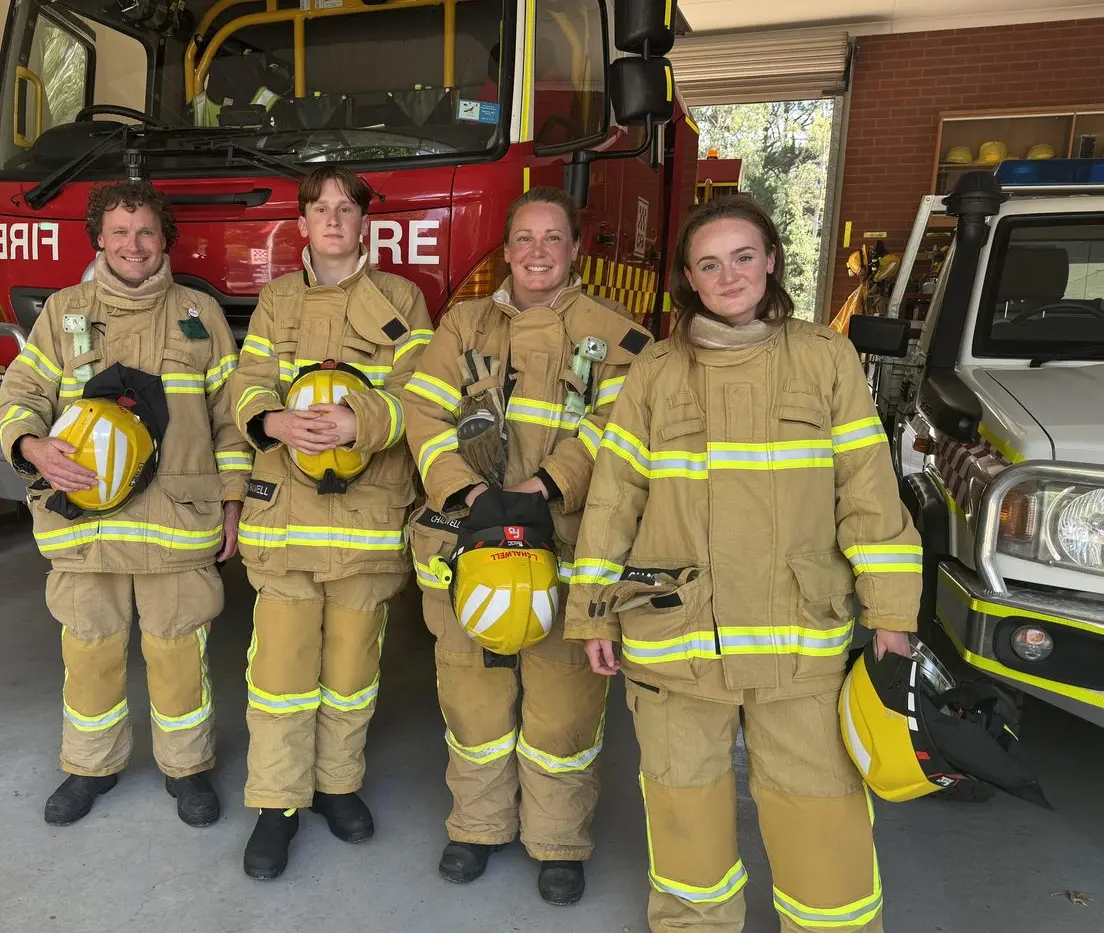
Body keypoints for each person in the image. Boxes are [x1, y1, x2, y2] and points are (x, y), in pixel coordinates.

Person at [565, 195, 922, 933]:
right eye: (708, 263)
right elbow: (612, 499)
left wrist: (892, 613)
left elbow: (869, 493)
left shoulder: (826, 357)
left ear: (771, 263)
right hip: (677, 641)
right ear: (688, 280)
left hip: (799, 640)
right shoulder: (656, 371)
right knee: (683, 804)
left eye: (742, 256)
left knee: (820, 811)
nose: (727, 275)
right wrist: (592, 607)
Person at [402, 186, 652, 906]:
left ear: (575, 250)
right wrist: (468, 493)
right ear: (506, 250)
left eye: (553, 239)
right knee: (472, 696)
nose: (538, 252)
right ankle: (476, 827)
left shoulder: (617, 335)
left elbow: (616, 429)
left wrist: (547, 485)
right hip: (465, 544)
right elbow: (422, 408)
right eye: (525, 239)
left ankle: (558, 842)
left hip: (566, 547)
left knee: (562, 707)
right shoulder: (463, 323)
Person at [0, 181, 251, 828]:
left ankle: (187, 769)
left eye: (144, 231)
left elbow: (230, 420)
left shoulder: (201, 314)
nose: (133, 244)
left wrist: (233, 502)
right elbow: (22, 390)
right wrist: (31, 443)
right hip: (87, 523)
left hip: (178, 520)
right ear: (99, 239)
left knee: (177, 650)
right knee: (90, 648)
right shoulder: (64, 312)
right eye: (119, 231)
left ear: (164, 238)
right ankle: (89, 766)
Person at [228, 165, 433, 880]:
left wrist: (361, 419)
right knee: (280, 675)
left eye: (346, 208)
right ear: (304, 224)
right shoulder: (277, 300)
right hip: (285, 526)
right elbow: (246, 382)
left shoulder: (402, 300)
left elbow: (423, 397)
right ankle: (276, 804)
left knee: (351, 673)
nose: (334, 218)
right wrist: (273, 418)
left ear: (364, 222)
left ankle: (338, 785)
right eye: (321, 208)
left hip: (366, 528)